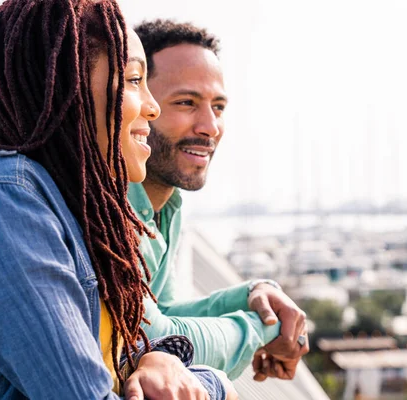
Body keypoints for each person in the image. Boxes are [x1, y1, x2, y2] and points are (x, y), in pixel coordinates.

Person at [0, 1, 232, 399]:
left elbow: (118, 360)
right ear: (70, 84)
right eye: (134, 80)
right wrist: (215, 384)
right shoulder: (1, 194)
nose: (151, 106)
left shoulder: (69, 209)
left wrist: (159, 358)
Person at [130, 19, 310, 382]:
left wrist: (252, 296)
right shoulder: (107, 204)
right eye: (186, 102)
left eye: (219, 107)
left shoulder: (167, 203)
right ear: (140, 104)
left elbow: (160, 310)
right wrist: (263, 330)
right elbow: (148, 339)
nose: (210, 126)